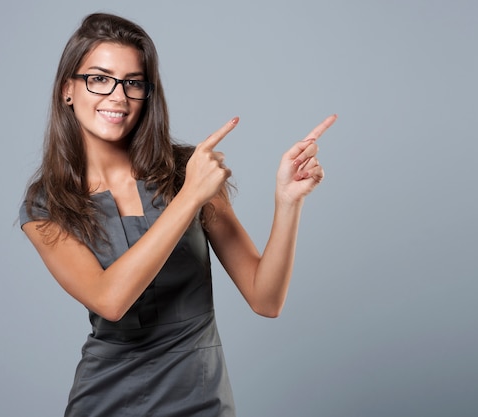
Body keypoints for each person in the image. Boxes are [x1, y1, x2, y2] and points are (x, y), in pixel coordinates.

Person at [19, 12, 336, 417]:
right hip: (106, 399)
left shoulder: (188, 171)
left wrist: (288, 201)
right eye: (99, 78)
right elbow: (110, 301)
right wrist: (189, 198)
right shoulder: (46, 203)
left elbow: (266, 298)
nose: (117, 96)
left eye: (132, 82)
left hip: (201, 398)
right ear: (68, 89)